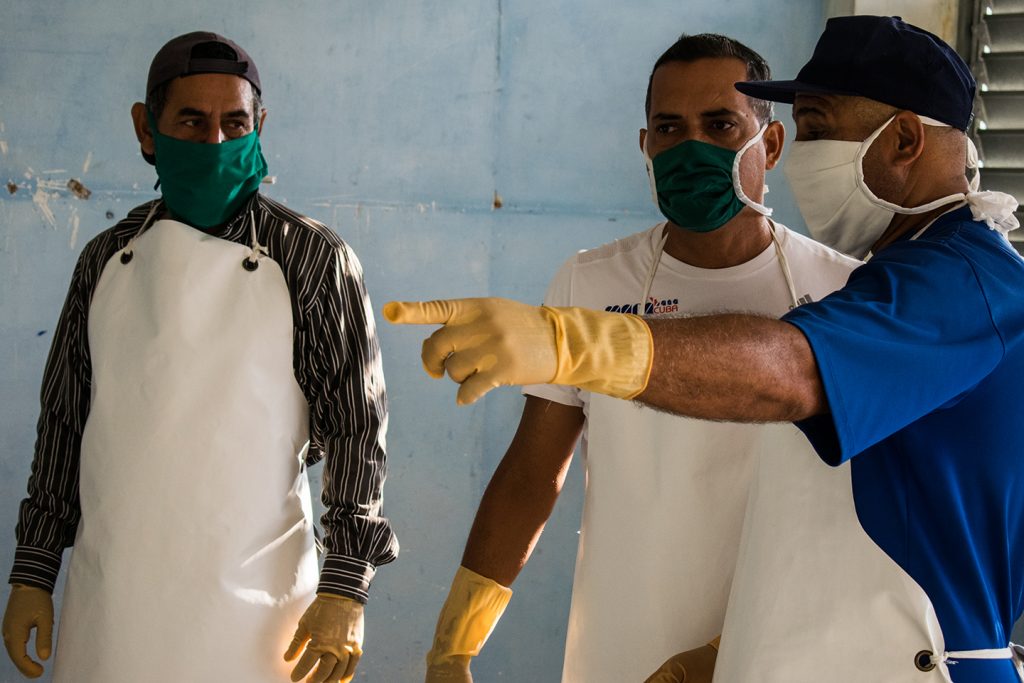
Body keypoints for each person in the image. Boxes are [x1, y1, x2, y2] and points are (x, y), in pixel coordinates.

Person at [386, 16, 1024, 683]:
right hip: (715, 645)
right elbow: (838, 514)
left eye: (816, 126)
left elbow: (792, 371)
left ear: (904, 139)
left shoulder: (942, 286)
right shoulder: (899, 280)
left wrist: (572, 341)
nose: (806, 151)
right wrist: (455, 640)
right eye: (669, 127)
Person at [418, 34, 858, 683]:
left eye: (719, 125)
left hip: (780, 656)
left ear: (769, 144)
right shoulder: (592, 284)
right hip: (617, 651)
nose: (691, 149)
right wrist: (455, 642)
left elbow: (859, 516)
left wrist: (719, 653)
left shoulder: (841, 292)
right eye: (669, 128)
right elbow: (533, 473)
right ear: (645, 146)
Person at [0, 31, 397, 683]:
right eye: (191, 121)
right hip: (113, 608)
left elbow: (359, 431)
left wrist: (345, 587)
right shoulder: (106, 259)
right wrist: (33, 571)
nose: (215, 143)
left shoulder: (312, 259)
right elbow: (65, 429)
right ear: (146, 128)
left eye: (234, 123)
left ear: (259, 125)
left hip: (260, 614)